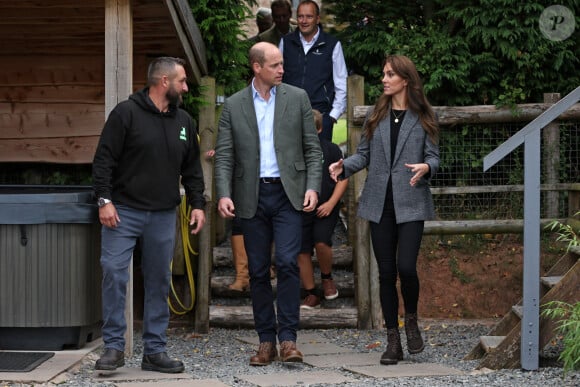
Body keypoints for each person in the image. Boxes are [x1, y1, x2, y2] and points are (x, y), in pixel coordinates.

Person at [92, 57, 206, 373]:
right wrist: (104, 200)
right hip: (123, 212)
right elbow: (103, 161)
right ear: (163, 82)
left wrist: (198, 204)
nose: (186, 87)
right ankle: (114, 347)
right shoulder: (125, 114)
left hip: (162, 215)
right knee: (114, 272)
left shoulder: (184, 121)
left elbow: (193, 170)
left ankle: (154, 351)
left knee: (159, 280)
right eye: (182, 81)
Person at [214, 42, 322, 366]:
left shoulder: (297, 97)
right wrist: (222, 193)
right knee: (258, 271)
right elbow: (224, 156)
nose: (281, 70)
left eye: (282, 64)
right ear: (256, 67)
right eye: (274, 65)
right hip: (251, 197)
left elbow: (313, 150)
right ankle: (266, 341)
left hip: (289, 194)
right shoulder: (234, 105)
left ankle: (288, 340)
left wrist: (314, 187)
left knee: (288, 262)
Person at [329, 55, 440, 365]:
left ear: (406, 79)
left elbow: (435, 158)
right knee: (387, 273)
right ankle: (393, 340)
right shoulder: (376, 115)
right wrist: (343, 166)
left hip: (412, 203)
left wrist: (426, 167)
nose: (384, 79)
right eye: (383, 74)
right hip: (379, 205)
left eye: (390, 74)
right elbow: (362, 155)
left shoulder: (424, 115)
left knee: (406, 267)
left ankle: (412, 320)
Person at [298, 109, 348, 309]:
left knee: (321, 242)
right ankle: (311, 293)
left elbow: (343, 179)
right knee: (300, 251)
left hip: (325, 207)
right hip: (299, 209)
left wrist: (331, 203)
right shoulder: (292, 151)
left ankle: (327, 279)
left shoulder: (332, 150)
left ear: (319, 129)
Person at [280, 0, 347, 142]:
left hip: (320, 117)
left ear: (318, 19)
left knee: (318, 163)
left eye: (309, 16)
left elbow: (341, 83)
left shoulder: (332, 45)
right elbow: (276, 77)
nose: (304, 21)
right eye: (300, 16)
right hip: (288, 116)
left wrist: (332, 116)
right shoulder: (285, 42)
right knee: (289, 162)